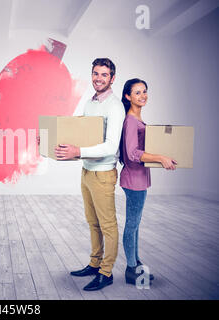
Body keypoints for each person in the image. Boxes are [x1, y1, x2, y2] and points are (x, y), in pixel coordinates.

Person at [55, 58, 125, 291]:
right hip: (87, 171)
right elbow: (77, 132)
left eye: (104, 75)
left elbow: (110, 146)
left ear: (112, 78)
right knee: (92, 222)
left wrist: (78, 151)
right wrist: (48, 140)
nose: (98, 78)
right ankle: (95, 264)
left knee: (107, 225)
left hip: (103, 174)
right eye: (96, 73)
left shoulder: (115, 106)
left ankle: (106, 272)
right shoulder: (91, 102)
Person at [119, 78, 177, 285]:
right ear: (128, 96)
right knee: (132, 225)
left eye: (145, 91)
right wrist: (160, 158)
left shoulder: (138, 120)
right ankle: (131, 269)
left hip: (140, 179)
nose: (142, 95)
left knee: (135, 224)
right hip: (133, 179)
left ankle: (135, 262)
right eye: (137, 92)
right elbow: (133, 153)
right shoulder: (131, 121)